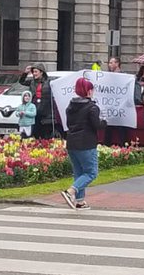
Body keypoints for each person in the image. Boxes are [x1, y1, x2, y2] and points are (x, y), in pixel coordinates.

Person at [61, 77, 104, 210]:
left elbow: (68, 124)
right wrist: (104, 122)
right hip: (86, 142)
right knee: (91, 172)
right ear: (89, 91)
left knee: (79, 172)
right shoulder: (92, 107)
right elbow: (97, 125)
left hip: (72, 142)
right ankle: (71, 192)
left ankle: (80, 201)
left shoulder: (70, 106)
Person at [21, 64, 54, 139]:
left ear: (41, 72)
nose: (34, 74)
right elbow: (21, 81)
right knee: (34, 131)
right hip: (34, 109)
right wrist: (25, 73)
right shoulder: (32, 82)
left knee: (44, 133)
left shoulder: (49, 82)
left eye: (36, 72)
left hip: (45, 111)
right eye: (33, 72)